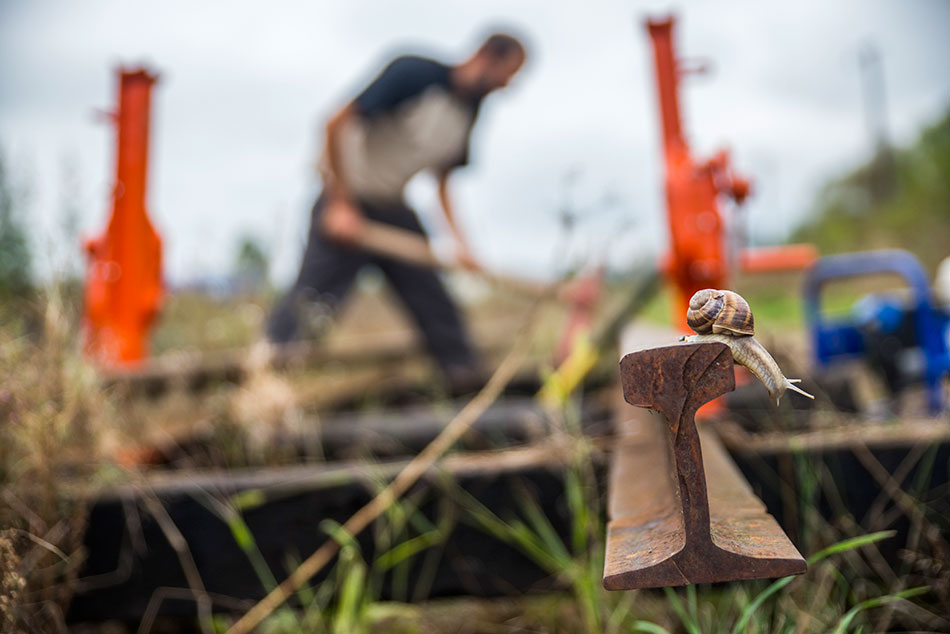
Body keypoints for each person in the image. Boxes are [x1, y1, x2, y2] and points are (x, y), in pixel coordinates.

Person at [267, 33, 527, 392]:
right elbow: (335, 122)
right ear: (487, 57)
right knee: (311, 305)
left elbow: (444, 181)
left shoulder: (469, 110)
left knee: (434, 300)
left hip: (391, 208)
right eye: (508, 74)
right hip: (346, 201)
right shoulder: (414, 74)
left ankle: (464, 382)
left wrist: (461, 245)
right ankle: (268, 379)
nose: (506, 85)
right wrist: (340, 203)